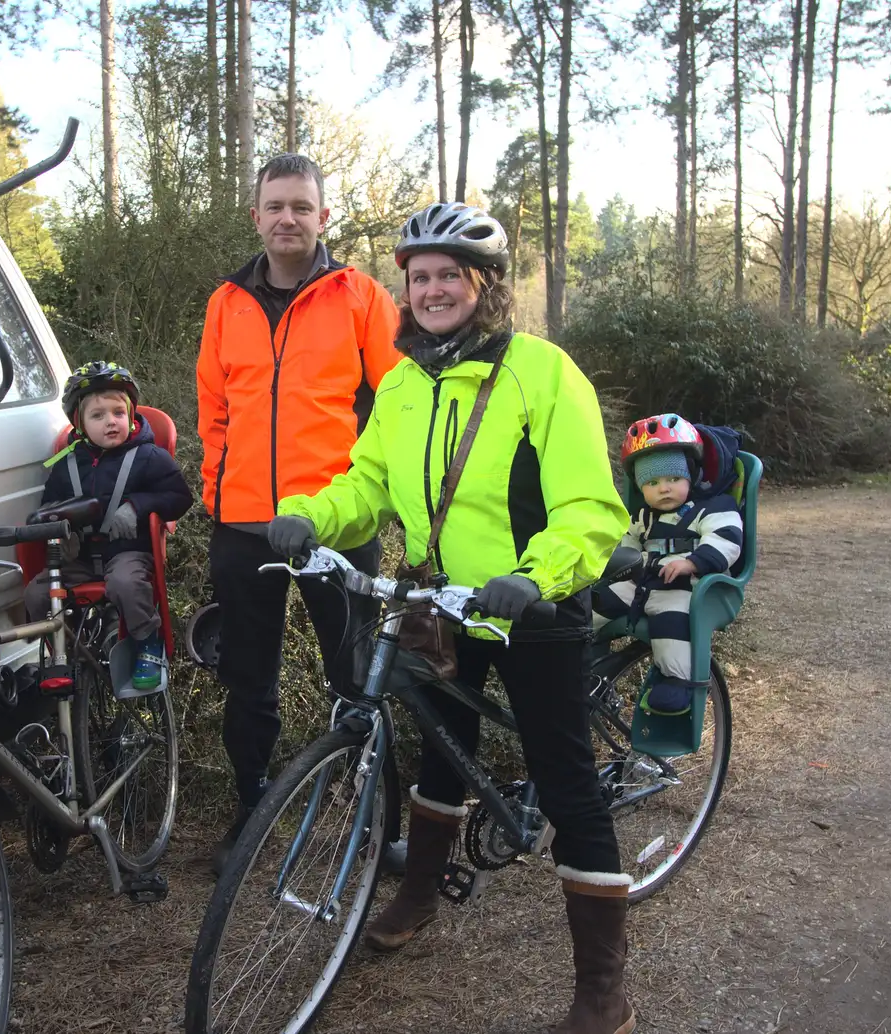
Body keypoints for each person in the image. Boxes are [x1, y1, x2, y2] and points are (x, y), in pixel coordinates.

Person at [268, 202, 637, 1034]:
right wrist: (311, 517)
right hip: (440, 599)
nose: (432, 290)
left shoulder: (542, 372)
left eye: (449, 276)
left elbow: (589, 506)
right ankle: (418, 895)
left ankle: (604, 990)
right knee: (441, 749)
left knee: (568, 780)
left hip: (530, 603)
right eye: (420, 277)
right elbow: (367, 487)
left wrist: (534, 576)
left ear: (485, 285)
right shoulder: (400, 383)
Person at [196, 153, 403, 872]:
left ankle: (374, 815)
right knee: (247, 678)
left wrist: (375, 491)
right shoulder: (226, 303)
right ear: (256, 215)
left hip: (335, 525)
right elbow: (213, 410)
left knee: (354, 671)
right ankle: (251, 809)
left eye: (302, 207)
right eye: (275, 205)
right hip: (243, 524)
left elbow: (401, 403)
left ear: (323, 218)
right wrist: (218, 490)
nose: (288, 218)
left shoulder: (362, 298)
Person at [27, 361, 192, 690]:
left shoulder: (149, 456)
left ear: (130, 413)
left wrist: (138, 506)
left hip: (128, 552)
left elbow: (179, 496)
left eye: (118, 412)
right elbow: (49, 504)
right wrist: (59, 527)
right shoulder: (66, 466)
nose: (110, 422)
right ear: (80, 423)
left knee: (125, 584)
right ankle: (71, 648)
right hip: (81, 558)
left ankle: (148, 643)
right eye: (97, 416)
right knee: (36, 594)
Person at [593, 414, 744, 716]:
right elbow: (627, 544)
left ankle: (676, 681)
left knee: (671, 625)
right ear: (641, 487)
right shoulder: (643, 516)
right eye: (652, 482)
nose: (664, 489)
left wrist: (694, 562)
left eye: (673, 479)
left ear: (690, 476)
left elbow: (727, 538)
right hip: (638, 585)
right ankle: (578, 658)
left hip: (681, 589)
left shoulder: (712, 508)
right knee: (590, 607)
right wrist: (615, 565)